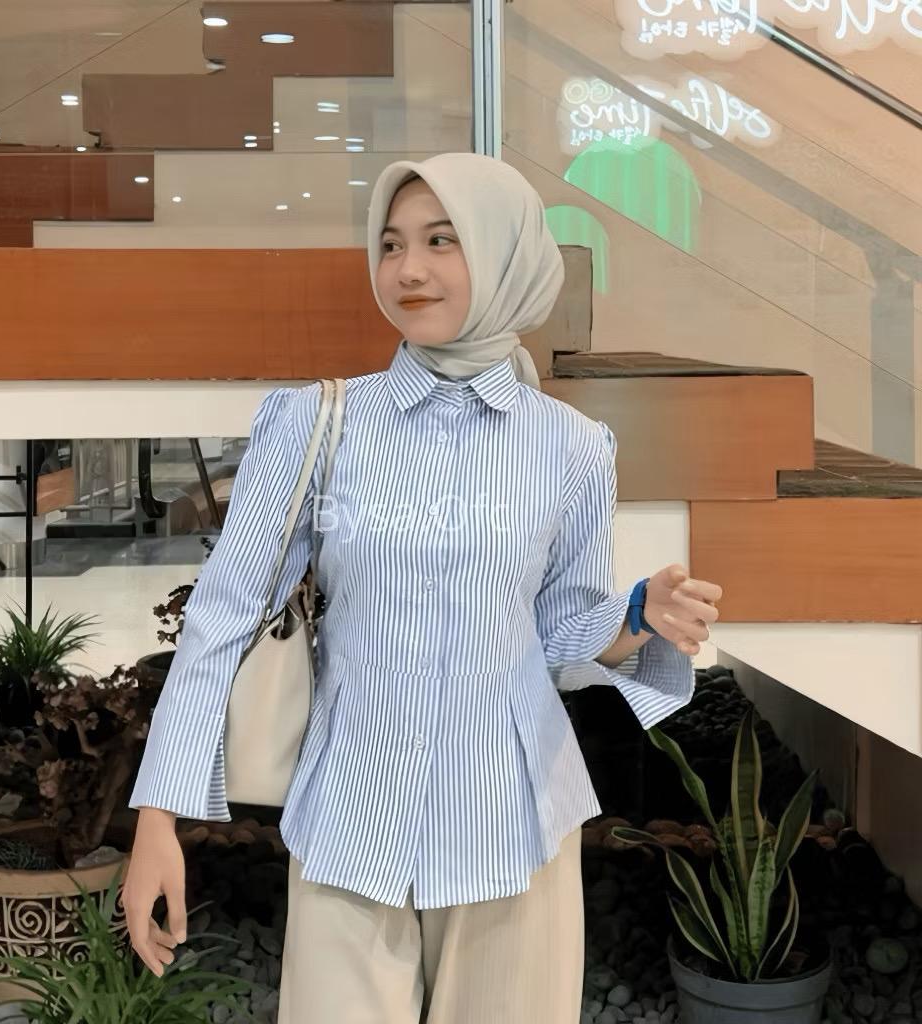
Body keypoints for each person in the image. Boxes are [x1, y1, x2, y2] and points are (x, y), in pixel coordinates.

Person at [123, 151, 723, 1023]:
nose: (408, 269)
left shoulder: (572, 446)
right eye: (392, 243)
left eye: (443, 241)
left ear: (505, 255)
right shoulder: (316, 422)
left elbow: (557, 640)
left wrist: (635, 617)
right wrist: (157, 816)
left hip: (514, 826)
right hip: (349, 820)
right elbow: (223, 617)